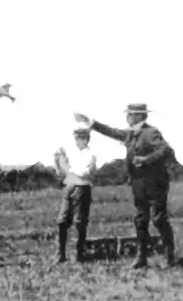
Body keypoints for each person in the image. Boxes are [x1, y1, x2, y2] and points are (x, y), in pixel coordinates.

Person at [75, 103, 177, 270]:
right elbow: (112, 132)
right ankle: (141, 257)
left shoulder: (150, 133)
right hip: (138, 184)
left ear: (138, 116)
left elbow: (165, 150)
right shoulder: (131, 134)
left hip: (155, 184)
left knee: (159, 219)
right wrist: (91, 123)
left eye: (129, 114)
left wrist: (146, 160)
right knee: (140, 220)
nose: (127, 117)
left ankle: (169, 256)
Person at [53, 126, 98, 264]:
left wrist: (66, 166)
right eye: (76, 137)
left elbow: (84, 172)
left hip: (82, 188)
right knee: (62, 221)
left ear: (86, 139)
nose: (77, 140)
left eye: (80, 137)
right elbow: (61, 174)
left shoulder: (90, 155)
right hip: (69, 187)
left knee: (79, 222)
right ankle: (61, 254)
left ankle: (79, 254)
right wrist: (57, 162)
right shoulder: (71, 153)